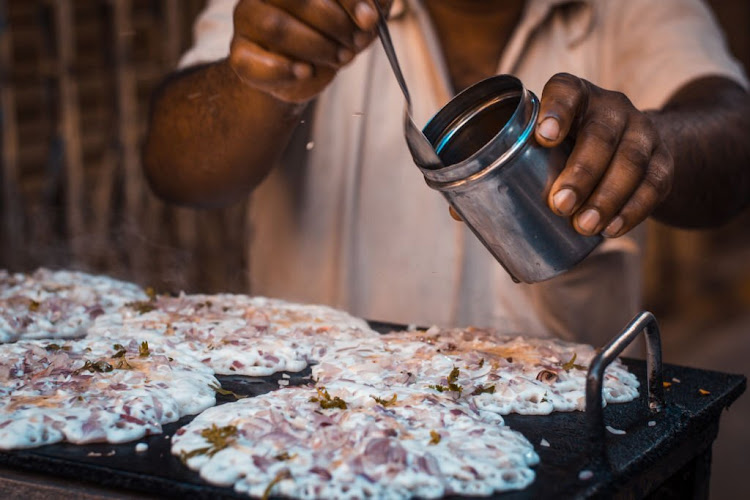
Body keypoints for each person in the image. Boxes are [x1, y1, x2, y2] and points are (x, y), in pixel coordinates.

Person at [143, 0, 750, 347]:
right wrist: (260, 77)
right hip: (320, 420)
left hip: (563, 430)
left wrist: (652, 146)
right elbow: (175, 171)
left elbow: (733, 130)